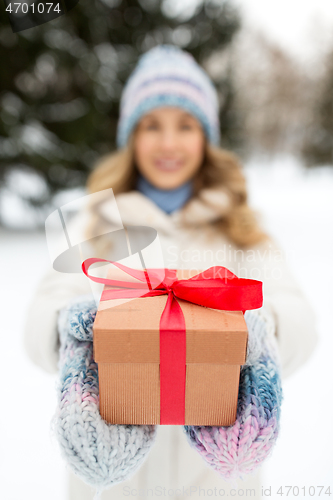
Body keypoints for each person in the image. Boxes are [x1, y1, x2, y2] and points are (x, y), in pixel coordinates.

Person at [23, 44, 318, 500]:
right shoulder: (94, 220)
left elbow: (301, 322)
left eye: (185, 125)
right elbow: (39, 321)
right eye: (151, 125)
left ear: (205, 137)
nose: (167, 143)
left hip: (217, 481)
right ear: (131, 137)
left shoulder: (241, 229)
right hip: (114, 481)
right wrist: (75, 331)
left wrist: (261, 329)